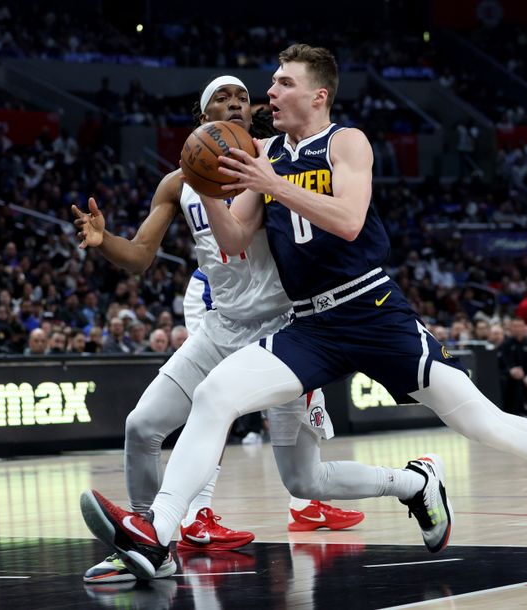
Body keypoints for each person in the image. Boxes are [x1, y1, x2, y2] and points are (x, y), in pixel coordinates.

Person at [80, 45, 527, 580]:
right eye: (273, 83)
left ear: (318, 96)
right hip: (310, 324)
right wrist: (208, 182)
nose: (270, 93)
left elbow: (350, 220)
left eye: (283, 83)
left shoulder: (346, 143)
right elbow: (231, 241)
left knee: (483, 424)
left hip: (373, 309)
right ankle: (157, 533)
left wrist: (271, 181)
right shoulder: (269, 156)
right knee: (214, 396)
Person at [73, 74, 364, 584]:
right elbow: (141, 257)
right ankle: (148, 540)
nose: (234, 103)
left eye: (241, 98)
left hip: (282, 333)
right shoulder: (176, 183)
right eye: (221, 99)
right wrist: (103, 241)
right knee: (141, 426)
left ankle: (409, 483)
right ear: (201, 115)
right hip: (220, 329)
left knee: (303, 479)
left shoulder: (278, 163)